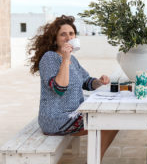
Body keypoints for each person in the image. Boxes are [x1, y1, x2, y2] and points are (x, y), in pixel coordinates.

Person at [28, 15, 118, 159]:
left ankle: (95, 159)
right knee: (106, 120)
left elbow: (86, 82)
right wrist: (65, 58)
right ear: (55, 38)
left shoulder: (73, 59)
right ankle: (94, 160)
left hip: (73, 112)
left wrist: (99, 81)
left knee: (112, 117)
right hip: (55, 118)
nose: (68, 37)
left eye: (71, 33)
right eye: (63, 34)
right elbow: (59, 88)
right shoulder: (49, 58)